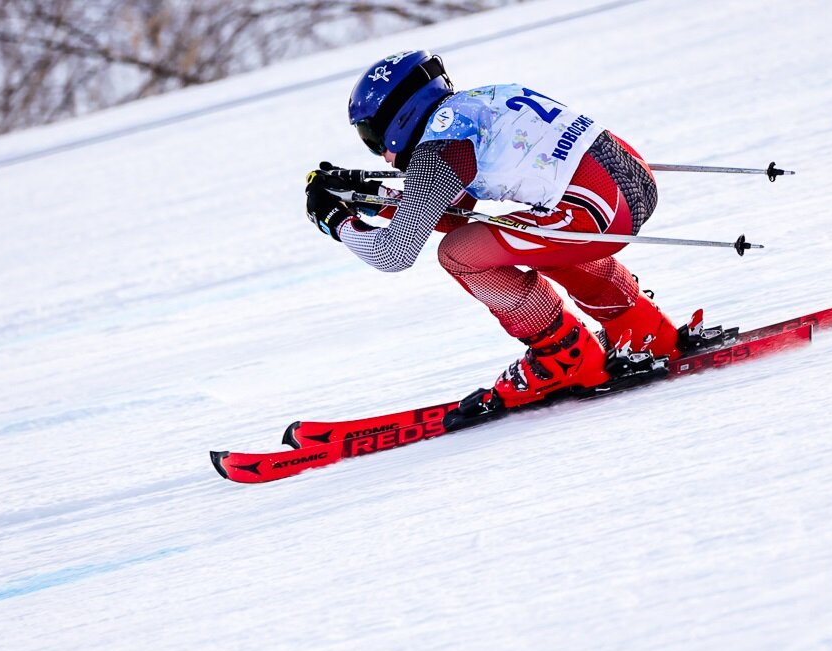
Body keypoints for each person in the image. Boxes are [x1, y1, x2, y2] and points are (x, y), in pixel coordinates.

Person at [305, 50, 719, 418]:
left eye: (373, 139)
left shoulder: (442, 146)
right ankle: (642, 328)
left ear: (400, 118)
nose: (382, 154)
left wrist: (335, 221)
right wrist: (366, 194)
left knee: (458, 254)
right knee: (524, 236)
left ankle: (562, 357)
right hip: (631, 184)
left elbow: (393, 253)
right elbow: (450, 210)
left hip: (598, 213)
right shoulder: (477, 103)